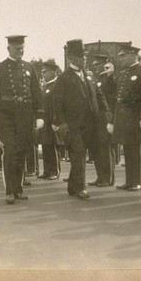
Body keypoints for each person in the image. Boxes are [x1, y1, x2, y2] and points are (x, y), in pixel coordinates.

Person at [0, 35, 44, 203]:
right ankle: (9, 191)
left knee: (22, 151)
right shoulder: (0, 68)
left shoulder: (30, 67)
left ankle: (18, 189)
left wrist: (39, 114)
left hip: (25, 116)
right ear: (9, 48)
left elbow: (36, 93)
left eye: (22, 48)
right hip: (6, 116)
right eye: (17, 49)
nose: (20, 51)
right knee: (10, 151)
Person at [52, 39, 110, 199]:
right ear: (71, 58)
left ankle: (72, 185)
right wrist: (62, 123)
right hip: (73, 125)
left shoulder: (88, 75)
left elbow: (99, 95)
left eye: (84, 56)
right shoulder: (64, 78)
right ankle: (80, 188)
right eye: (79, 56)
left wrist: (106, 112)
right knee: (78, 156)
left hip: (92, 124)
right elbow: (57, 103)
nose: (84, 59)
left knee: (83, 155)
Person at [107, 45, 141, 191]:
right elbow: (115, 97)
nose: (120, 58)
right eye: (120, 56)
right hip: (123, 117)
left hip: (135, 117)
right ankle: (129, 180)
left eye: (123, 56)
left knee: (135, 149)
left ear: (133, 55)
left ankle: (137, 181)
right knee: (127, 149)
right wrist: (112, 119)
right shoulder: (123, 73)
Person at [87, 55, 116, 187]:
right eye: (94, 64)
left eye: (98, 64)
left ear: (105, 64)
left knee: (105, 149)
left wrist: (111, 117)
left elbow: (111, 98)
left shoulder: (110, 78)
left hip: (105, 117)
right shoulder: (96, 79)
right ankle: (100, 176)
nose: (95, 66)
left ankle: (108, 178)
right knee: (97, 149)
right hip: (95, 118)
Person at [37, 59, 63, 180]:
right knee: (46, 145)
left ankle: (55, 171)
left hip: (52, 121)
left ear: (53, 72)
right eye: (42, 72)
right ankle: (47, 171)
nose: (43, 74)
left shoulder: (57, 86)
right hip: (45, 122)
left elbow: (58, 106)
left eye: (46, 72)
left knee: (52, 146)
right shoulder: (46, 86)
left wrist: (56, 121)